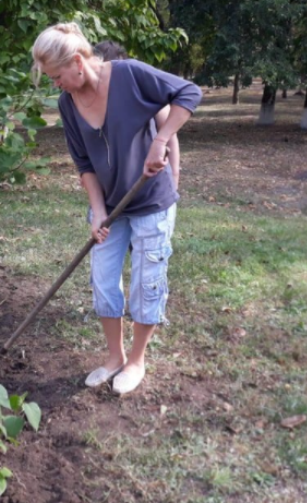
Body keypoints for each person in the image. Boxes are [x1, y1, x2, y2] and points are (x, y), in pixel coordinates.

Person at [31, 23, 202, 395]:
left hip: (151, 200)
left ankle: (136, 361)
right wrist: (96, 212)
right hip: (110, 208)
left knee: (147, 282)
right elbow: (84, 164)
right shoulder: (67, 104)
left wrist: (162, 139)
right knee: (104, 281)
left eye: (56, 76)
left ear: (77, 62)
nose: (54, 84)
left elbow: (189, 93)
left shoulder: (129, 76)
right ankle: (114, 357)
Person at [93, 41, 180, 191]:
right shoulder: (91, 101)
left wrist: (174, 178)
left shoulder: (143, 91)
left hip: (149, 187)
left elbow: (170, 138)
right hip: (111, 191)